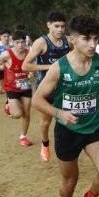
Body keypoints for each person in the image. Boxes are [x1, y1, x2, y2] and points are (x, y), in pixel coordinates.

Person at [31, 15, 99, 197]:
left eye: (96, 39)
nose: (93, 44)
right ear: (73, 40)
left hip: (94, 127)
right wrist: (59, 113)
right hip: (67, 131)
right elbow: (37, 100)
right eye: (86, 39)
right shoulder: (60, 67)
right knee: (70, 180)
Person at [23, 12, 70, 162]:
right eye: (56, 26)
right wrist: (51, 67)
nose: (60, 29)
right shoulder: (41, 43)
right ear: (48, 25)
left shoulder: (68, 41)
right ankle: (45, 144)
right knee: (47, 121)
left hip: (64, 88)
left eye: (63, 26)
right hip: (46, 89)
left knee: (67, 119)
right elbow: (26, 65)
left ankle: (66, 147)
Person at [0, 30, 34, 146]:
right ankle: (8, 105)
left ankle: (23, 137)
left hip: (26, 87)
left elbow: (31, 68)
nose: (20, 45)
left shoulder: (28, 53)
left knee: (27, 113)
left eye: (22, 42)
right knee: (17, 115)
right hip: (11, 89)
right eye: (17, 42)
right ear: (12, 42)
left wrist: (31, 73)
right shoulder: (7, 54)